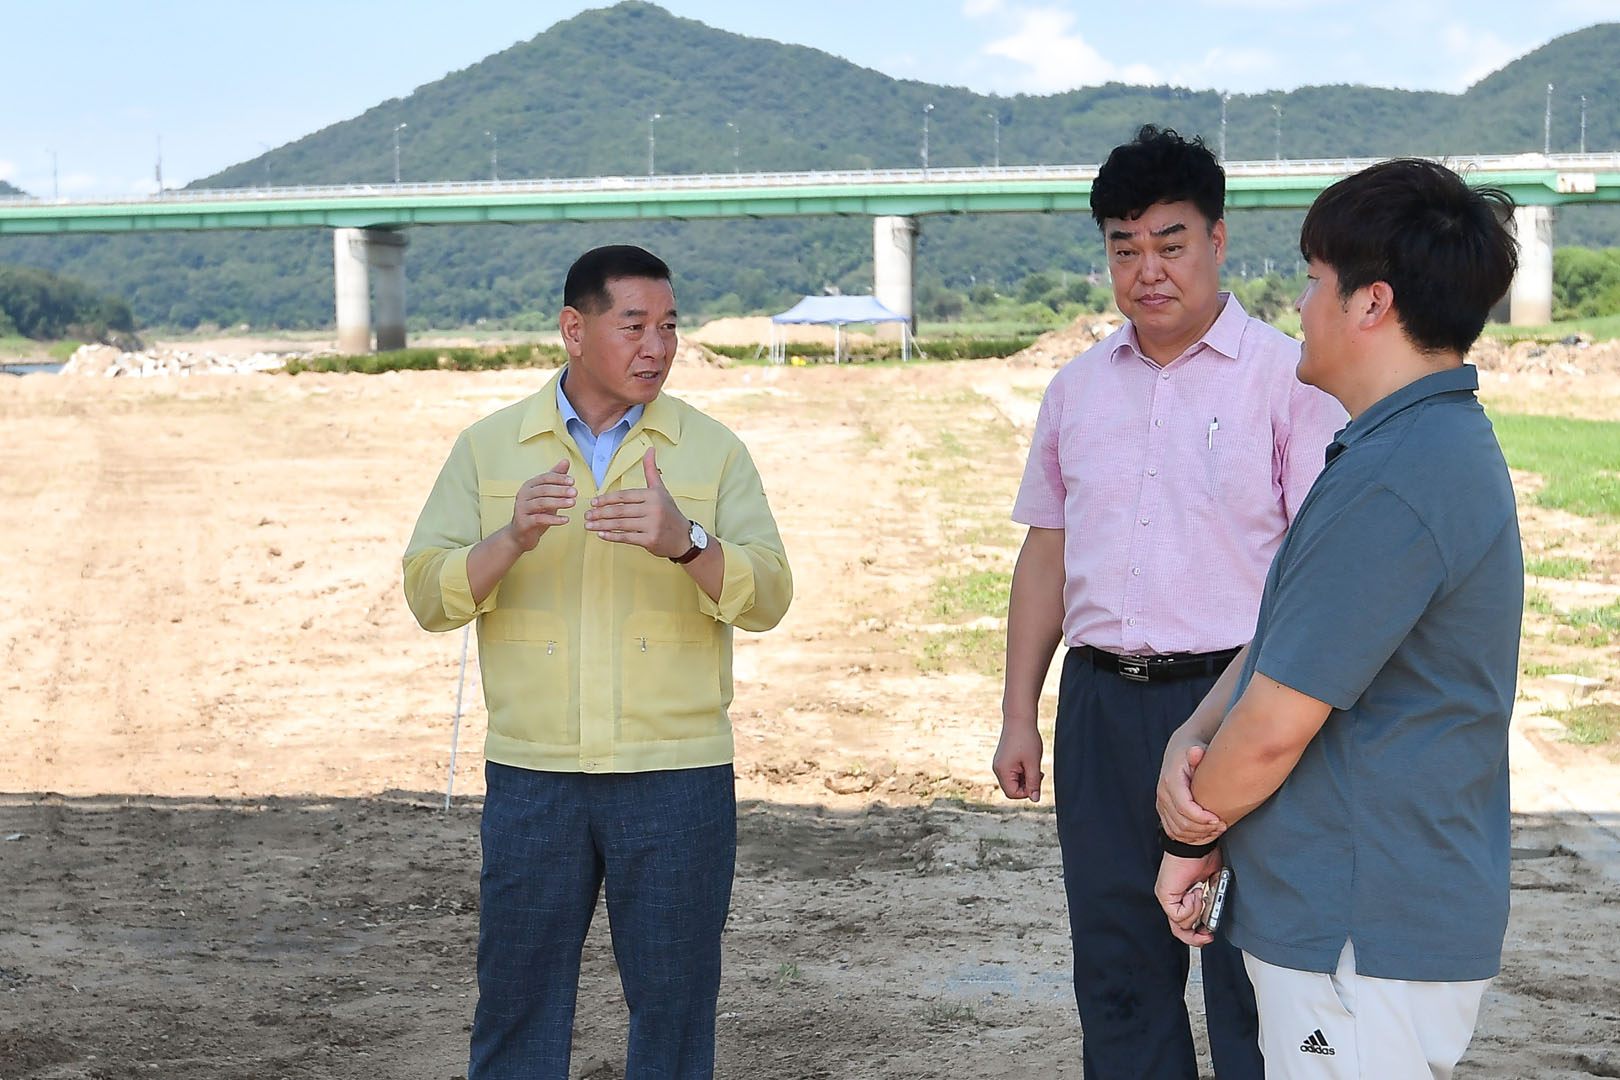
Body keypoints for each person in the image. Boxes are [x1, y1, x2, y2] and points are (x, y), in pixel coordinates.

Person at [1154, 158, 1521, 1080]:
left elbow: (1276, 727)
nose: (1301, 304)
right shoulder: (1402, 448)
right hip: (1361, 918)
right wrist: (1192, 732)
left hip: (1360, 930)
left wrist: (1188, 834)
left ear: (1372, 303)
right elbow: (1290, 637)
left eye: (1316, 280)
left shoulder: (1396, 477)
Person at [992, 124, 1344, 1080]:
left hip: (1240, 704)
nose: (1147, 270)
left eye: (1170, 243)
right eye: (1124, 247)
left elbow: (1319, 571)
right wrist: (1020, 712)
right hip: (1101, 706)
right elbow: (1046, 553)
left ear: (1218, 240)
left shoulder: (1289, 379)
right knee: (1117, 963)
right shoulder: (1075, 390)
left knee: (1248, 965)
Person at [403, 244, 792, 1080]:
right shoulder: (490, 448)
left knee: (676, 1010)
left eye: (670, 327)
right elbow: (429, 597)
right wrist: (510, 538)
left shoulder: (712, 450)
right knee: (516, 1005)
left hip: (677, 775)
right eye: (635, 326)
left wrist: (686, 540)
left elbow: (769, 598)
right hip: (533, 776)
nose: (658, 347)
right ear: (574, 331)